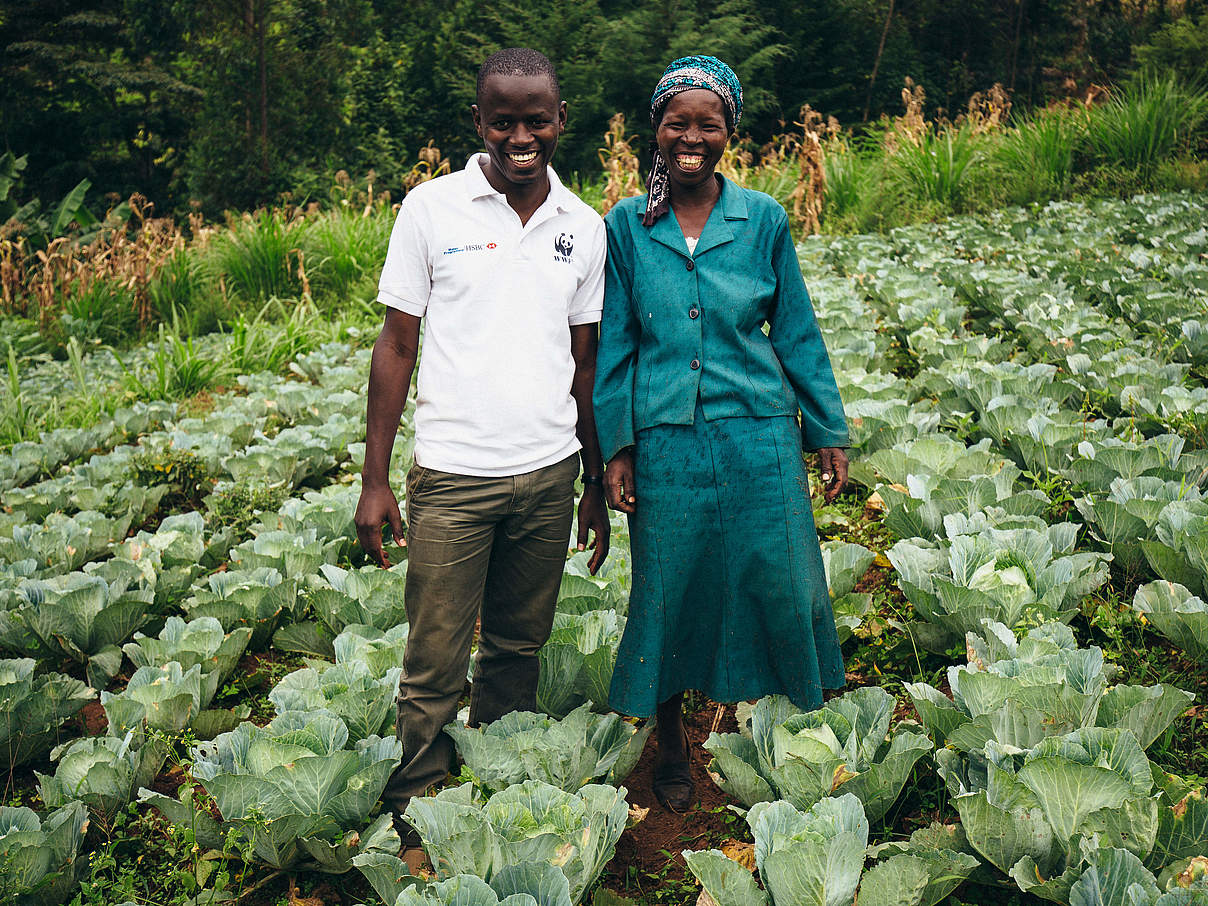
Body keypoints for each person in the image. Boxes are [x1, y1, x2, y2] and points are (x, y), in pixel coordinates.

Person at [354, 47, 610, 857]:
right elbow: (397, 343)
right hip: (453, 476)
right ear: (479, 122)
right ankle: (419, 819)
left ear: (560, 121)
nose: (521, 135)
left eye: (537, 119)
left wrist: (595, 483)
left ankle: (499, 800)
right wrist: (374, 479)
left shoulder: (584, 226)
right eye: (504, 119)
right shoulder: (432, 210)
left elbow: (587, 363)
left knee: (515, 649)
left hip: (547, 473)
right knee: (433, 662)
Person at [592, 55, 850, 813]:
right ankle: (672, 744)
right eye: (679, 122)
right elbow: (616, 344)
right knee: (671, 589)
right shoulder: (626, 226)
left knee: (781, 580)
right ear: (658, 131)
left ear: (730, 132)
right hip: (666, 440)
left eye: (709, 123)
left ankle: (790, 741)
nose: (692, 136)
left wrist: (826, 429)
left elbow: (796, 331)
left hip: (759, 435)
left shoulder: (762, 218)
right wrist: (617, 447)